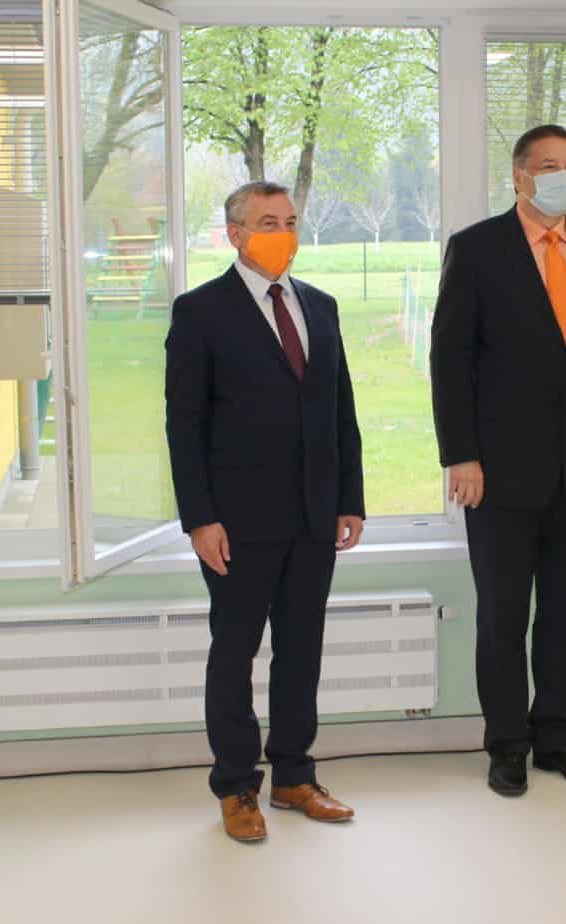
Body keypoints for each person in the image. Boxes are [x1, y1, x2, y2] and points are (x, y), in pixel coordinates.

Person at [430, 124, 566, 797]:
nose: (561, 176)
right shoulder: (477, 249)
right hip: (498, 472)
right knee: (503, 615)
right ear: (518, 175)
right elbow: (450, 361)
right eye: (548, 165)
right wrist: (460, 455)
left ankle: (559, 737)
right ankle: (508, 744)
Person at [165, 181, 365, 842]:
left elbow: (340, 409)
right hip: (237, 523)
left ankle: (294, 777)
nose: (283, 233)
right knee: (235, 655)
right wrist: (200, 519)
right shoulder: (200, 311)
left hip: (314, 516)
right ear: (235, 234)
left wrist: (350, 498)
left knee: (301, 651)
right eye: (267, 222)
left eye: (290, 221)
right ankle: (236, 786)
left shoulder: (320, 306)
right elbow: (184, 425)